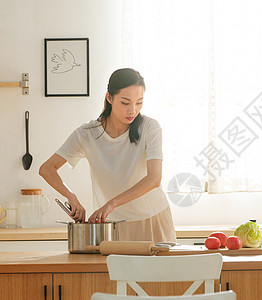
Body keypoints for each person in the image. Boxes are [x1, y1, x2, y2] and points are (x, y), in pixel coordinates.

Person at [39, 68, 176, 242]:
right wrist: (70, 196)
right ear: (109, 98)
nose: (133, 110)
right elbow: (46, 169)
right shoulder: (87, 133)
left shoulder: (150, 128)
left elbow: (154, 179)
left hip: (153, 219)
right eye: (125, 103)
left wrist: (112, 203)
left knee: (160, 270)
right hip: (114, 225)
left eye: (139, 102)